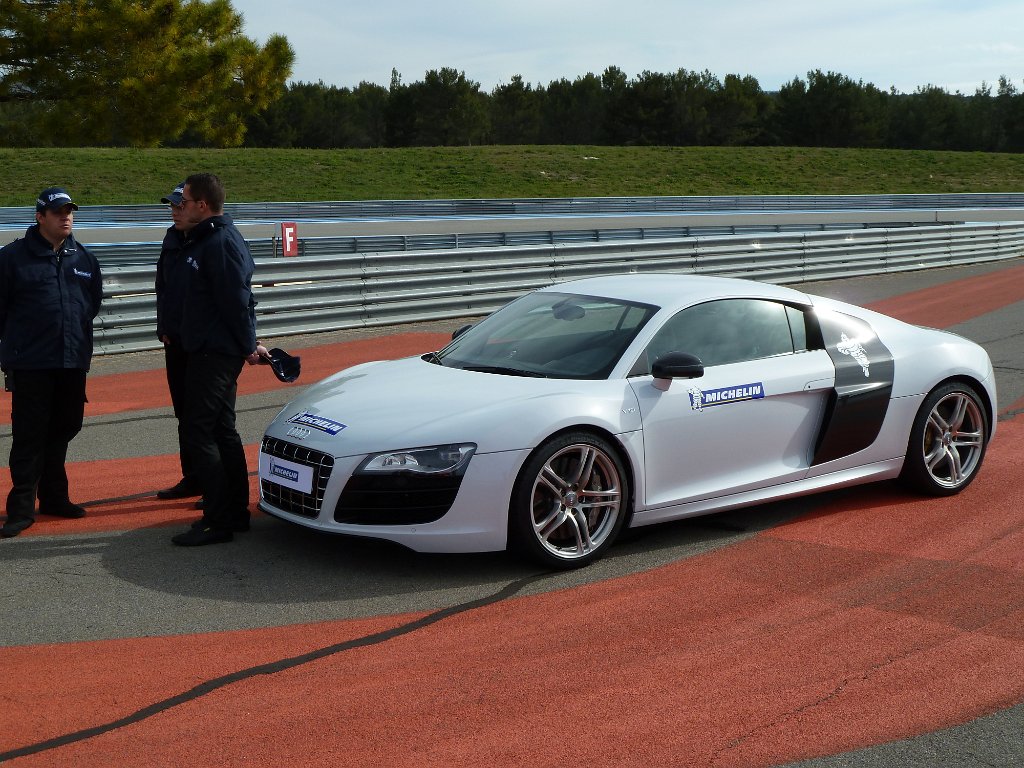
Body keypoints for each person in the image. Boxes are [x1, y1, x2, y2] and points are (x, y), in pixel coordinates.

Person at [0, 187, 103, 538]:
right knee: (29, 435)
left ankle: (55, 497)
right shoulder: (11, 258)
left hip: (71, 360)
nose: (65, 217)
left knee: (65, 426)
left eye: (69, 211)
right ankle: (20, 509)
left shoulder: (84, 258)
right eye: (58, 212)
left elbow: (91, 304)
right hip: (30, 362)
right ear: (40, 217)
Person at [169, 173, 266, 546]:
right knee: (221, 429)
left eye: (185, 200)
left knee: (200, 430)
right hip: (210, 347)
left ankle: (218, 518)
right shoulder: (207, 239)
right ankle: (234, 512)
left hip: (215, 351)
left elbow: (236, 301)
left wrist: (247, 345)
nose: (180, 206)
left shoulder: (220, 241)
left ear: (202, 205)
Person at [154, 181, 202, 505]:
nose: (174, 210)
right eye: (172, 205)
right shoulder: (172, 239)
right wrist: (164, 327)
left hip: (203, 344)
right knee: (184, 413)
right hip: (176, 342)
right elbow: (163, 287)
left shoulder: (210, 241)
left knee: (206, 417)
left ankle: (216, 484)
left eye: (179, 205)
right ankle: (193, 477)